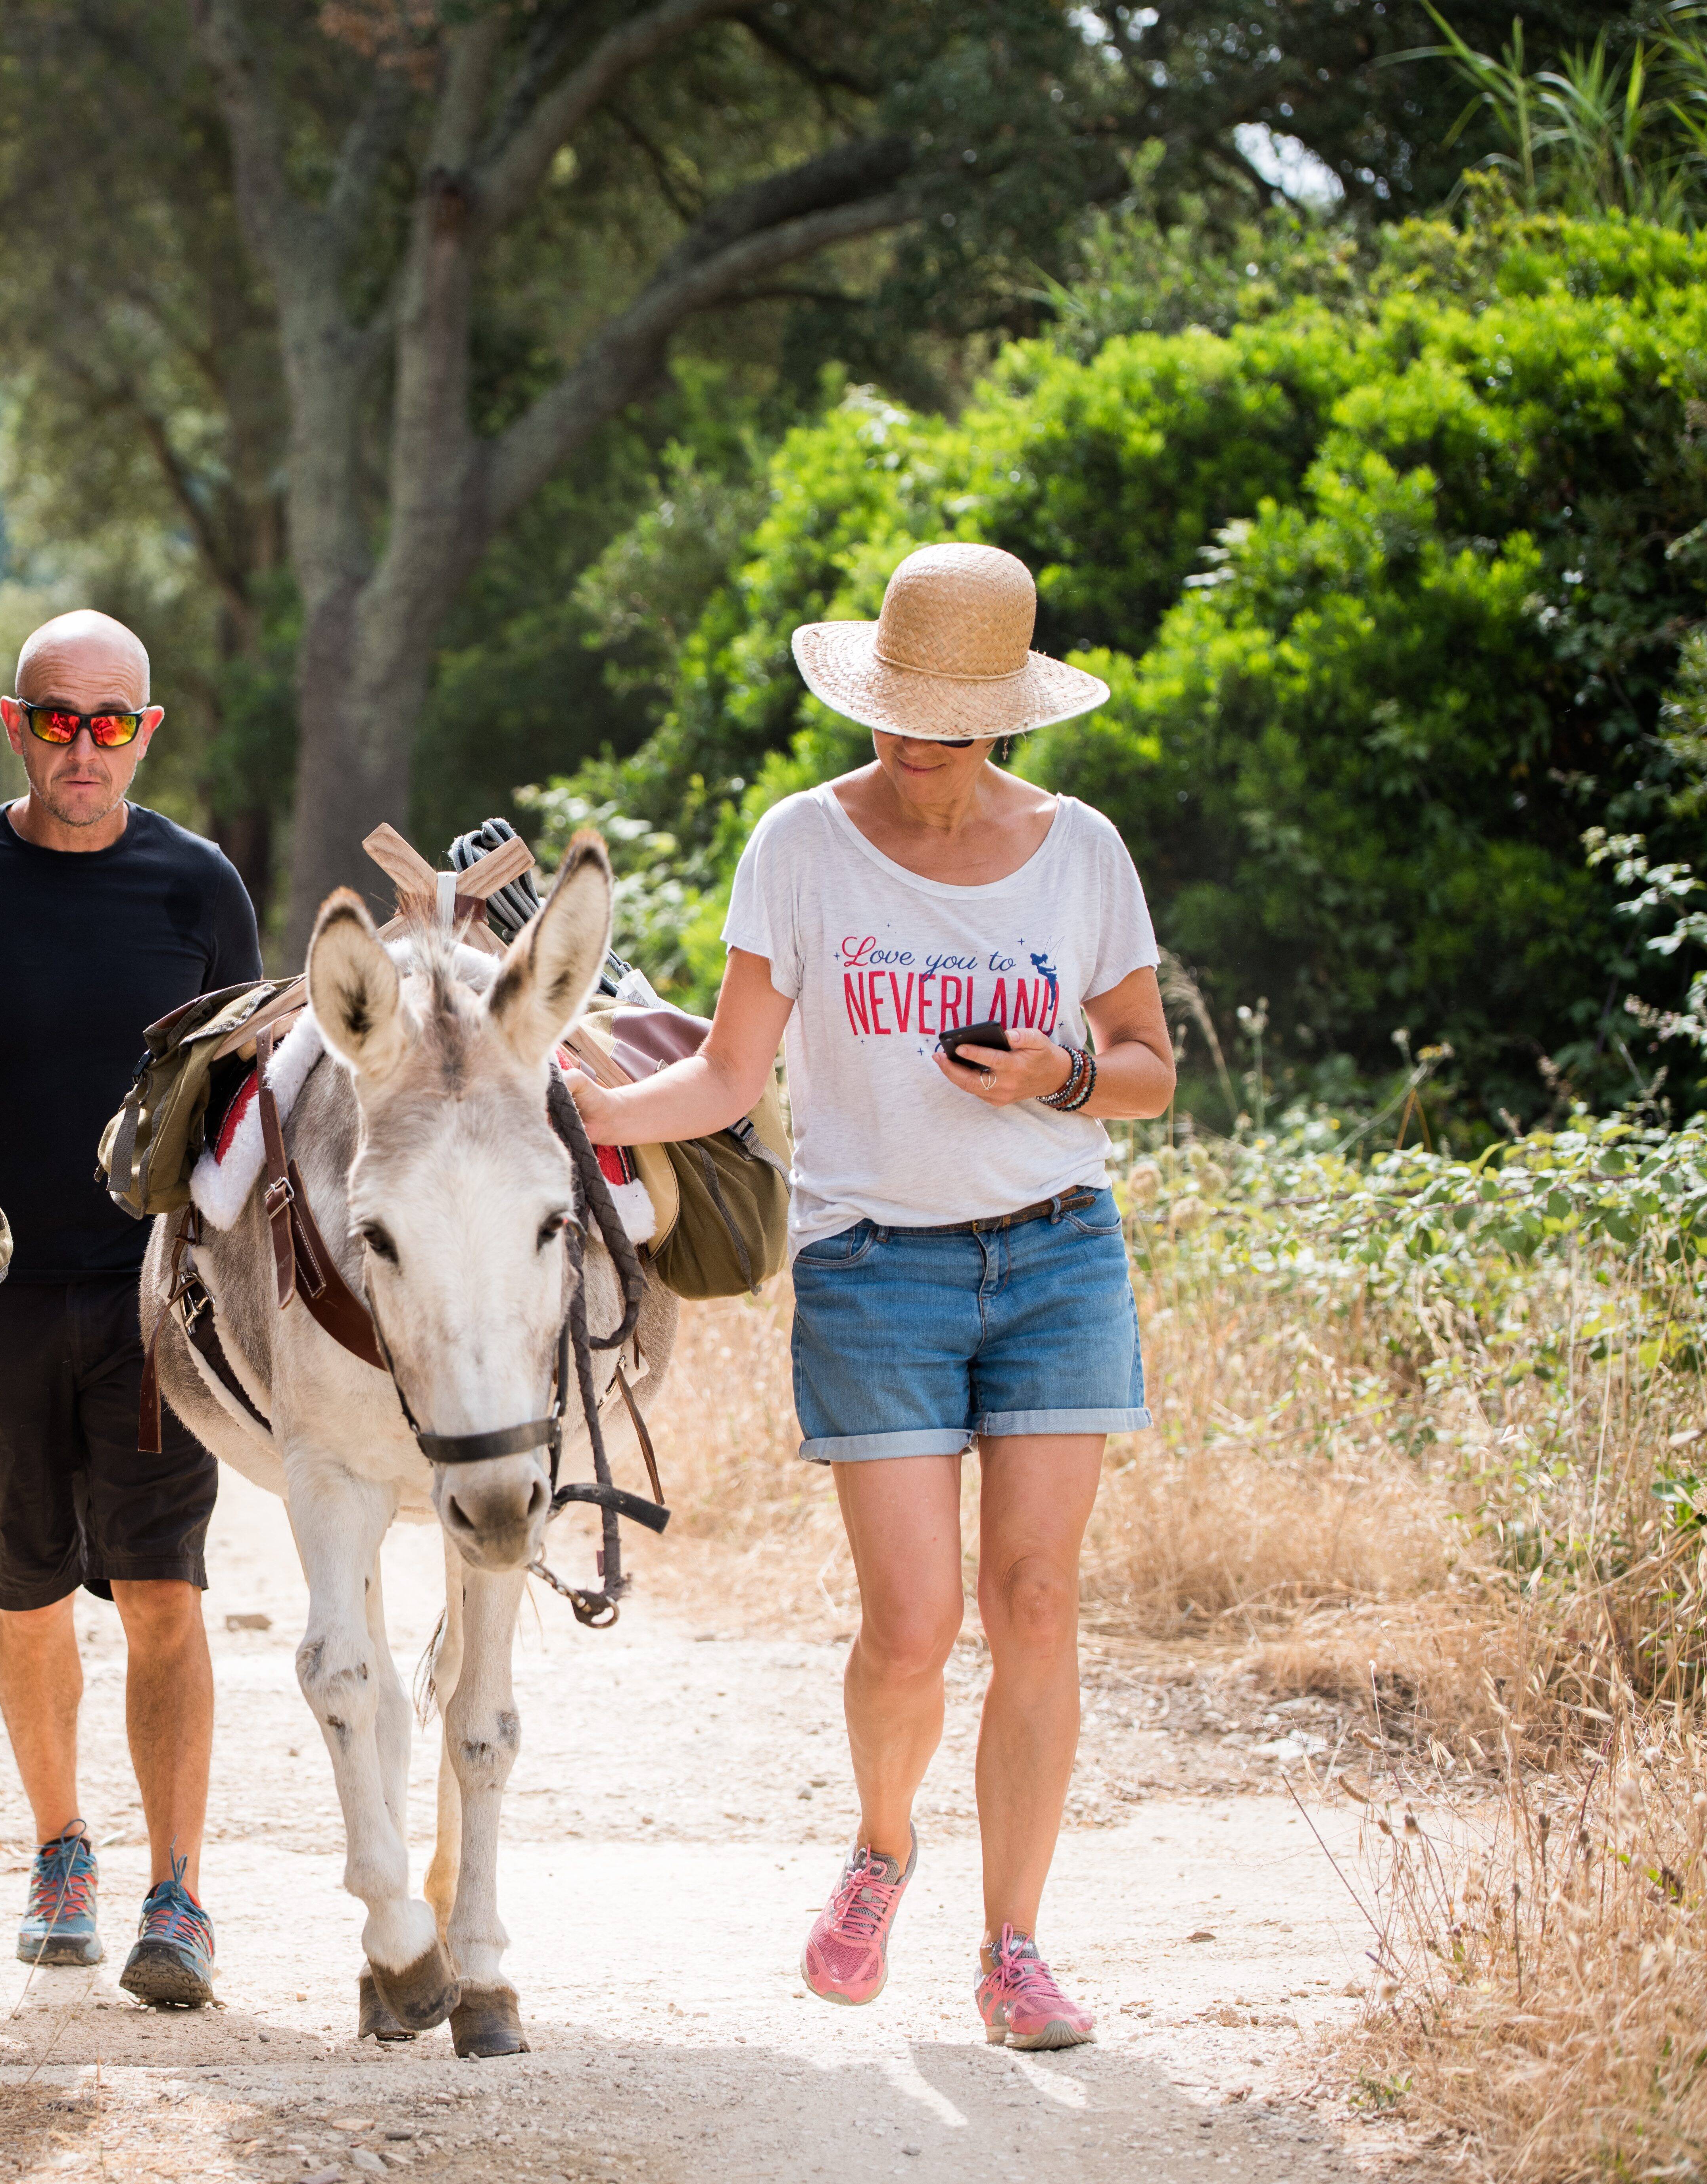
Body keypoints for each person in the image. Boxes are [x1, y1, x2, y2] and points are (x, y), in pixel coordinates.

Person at [565, 543, 1174, 2052]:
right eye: (891, 723)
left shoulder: (1084, 851)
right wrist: (572, 1109)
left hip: (1058, 1253)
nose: (911, 756)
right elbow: (723, 1074)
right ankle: (883, 1845)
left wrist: (1063, 1073)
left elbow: (1154, 1070)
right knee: (912, 1629)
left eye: (944, 732)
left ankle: (1014, 1948)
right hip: (873, 1271)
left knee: (1035, 1603)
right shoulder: (801, 842)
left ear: (1006, 726)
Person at [0, 610, 261, 2007]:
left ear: (148, 731)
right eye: (59, 719)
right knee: (25, 1599)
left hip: (153, 1309)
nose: (86, 747)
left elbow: (240, 1106)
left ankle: (180, 1893)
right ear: (17, 723)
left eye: (115, 723)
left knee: (163, 1595)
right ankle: (61, 1852)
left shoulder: (198, 888)